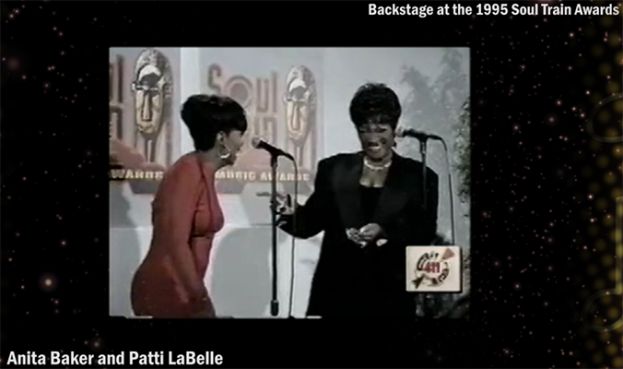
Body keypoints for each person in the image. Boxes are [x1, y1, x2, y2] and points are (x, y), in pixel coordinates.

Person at [276, 83, 439, 319]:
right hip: (338, 295)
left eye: (381, 129)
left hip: (391, 297)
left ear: (395, 130)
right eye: (364, 130)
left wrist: (384, 232)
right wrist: (291, 213)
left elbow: (424, 232)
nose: (372, 138)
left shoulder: (419, 177)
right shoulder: (333, 169)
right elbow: (310, 223)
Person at [130, 94, 247, 318]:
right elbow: (176, 243)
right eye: (240, 134)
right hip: (166, 289)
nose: (242, 142)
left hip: (185, 289)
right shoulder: (186, 172)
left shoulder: (204, 173)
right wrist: (200, 300)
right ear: (222, 137)